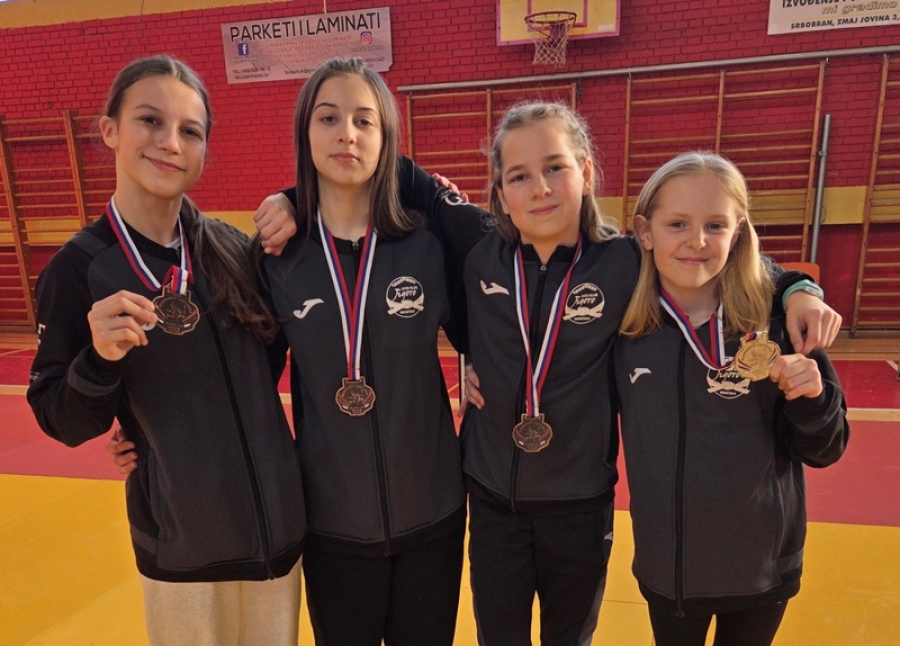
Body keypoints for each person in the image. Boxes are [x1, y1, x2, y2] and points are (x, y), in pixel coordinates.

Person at [458, 103, 842, 646]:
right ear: (499, 193)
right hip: (493, 494)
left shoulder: (623, 261)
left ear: (586, 173)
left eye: (555, 167)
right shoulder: (477, 257)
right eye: (519, 176)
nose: (539, 188)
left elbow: (712, 254)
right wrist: (468, 360)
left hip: (580, 500)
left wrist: (798, 288)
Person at [26, 56, 306, 646]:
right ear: (110, 130)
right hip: (184, 548)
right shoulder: (79, 270)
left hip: (277, 533)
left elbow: (265, 366)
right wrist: (100, 363)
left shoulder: (232, 249)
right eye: (150, 120)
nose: (171, 143)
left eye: (190, 131)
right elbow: (59, 418)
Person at [260, 57, 488, 646]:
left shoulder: (427, 243)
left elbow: (500, 326)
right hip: (330, 521)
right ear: (305, 132)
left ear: (386, 139)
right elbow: (244, 380)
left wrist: (495, 375)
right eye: (328, 118)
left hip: (433, 514)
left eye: (365, 120)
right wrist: (144, 428)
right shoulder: (276, 257)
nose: (347, 134)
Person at [615, 152, 849, 646]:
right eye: (677, 223)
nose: (697, 241)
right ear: (644, 232)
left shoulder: (779, 323)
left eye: (716, 225)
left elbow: (826, 448)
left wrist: (811, 397)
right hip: (670, 567)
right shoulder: (625, 328)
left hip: (762, 567)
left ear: (737, 232)